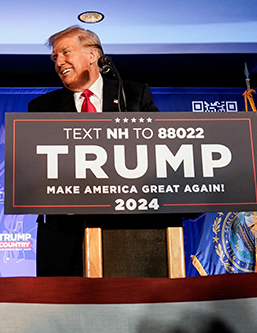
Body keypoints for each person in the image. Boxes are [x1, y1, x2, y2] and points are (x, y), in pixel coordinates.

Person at [28, 25, 159, 276]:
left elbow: (161, 147)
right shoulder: (41, 108)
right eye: (55, 58)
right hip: (65, 235)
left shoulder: (133, 95)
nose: (59, 62)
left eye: (66, 52)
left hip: (127, 231)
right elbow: (34, 168)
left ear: (92, 55)